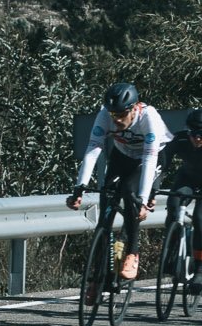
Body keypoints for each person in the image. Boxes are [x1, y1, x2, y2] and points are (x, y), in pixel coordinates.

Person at [68, 82, 169, 284]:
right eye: (113, 115)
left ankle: (132, 251)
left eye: (122, 114)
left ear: (134, 109)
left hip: (150, 158)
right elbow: (93, 149)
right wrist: (79, 187)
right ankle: (99, 273)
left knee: (131, 192)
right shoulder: (105, 114)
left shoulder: (149, 119)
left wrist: (142, 199)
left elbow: (150, 160)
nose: (117, 120)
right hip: (122, 155)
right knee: (106, 200)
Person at [155, 108, 202, 292]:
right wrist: (153, 189)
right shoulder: (179, 139)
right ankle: (172, 252)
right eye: (193, 134)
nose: (197, 138)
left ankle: (200, 267)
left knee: (199, 216)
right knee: (173, 205)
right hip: (186, 178)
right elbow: (161, 166)